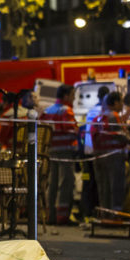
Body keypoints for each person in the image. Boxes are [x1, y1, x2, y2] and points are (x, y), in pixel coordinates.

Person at [40, 84, 78, 224]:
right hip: (64, 151)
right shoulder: (66, 110)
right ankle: (62, 217)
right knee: (65, 182)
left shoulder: (47, 110)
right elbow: (71, 131)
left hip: (51, 151)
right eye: (73, 95)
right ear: (66, 96)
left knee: (52, 183)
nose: (74, 98)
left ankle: (50, 216)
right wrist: (77, 131)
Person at [91, 92, 128, 212]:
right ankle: (115, 215)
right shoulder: (114, 116)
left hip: (99, 157)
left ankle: (104, 214)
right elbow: (122, 136)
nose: (122, 104)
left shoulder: (98, 117)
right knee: (116, 187)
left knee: (103, 187)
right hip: (114, 157)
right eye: (121, 101)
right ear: (115, 103)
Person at [80, 86, 110, 219]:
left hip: (87, 152)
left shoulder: (91, 110)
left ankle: (87, 211)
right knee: (100, 183)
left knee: (88, 182)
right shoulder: (102, 112)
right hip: (99, 152)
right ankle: (98, 211)